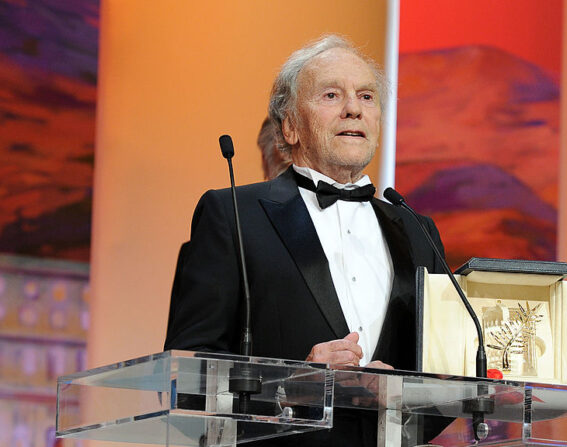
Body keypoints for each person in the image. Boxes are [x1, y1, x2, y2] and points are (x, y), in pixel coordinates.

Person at [164, 34, 446, 445]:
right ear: (290, 126)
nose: (354, 108)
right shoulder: (233, 215)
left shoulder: (419, 232)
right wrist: (288, 386)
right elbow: (184, 377)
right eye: (332, 94)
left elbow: (449, 381)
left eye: (367, 97)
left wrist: (406, 397)